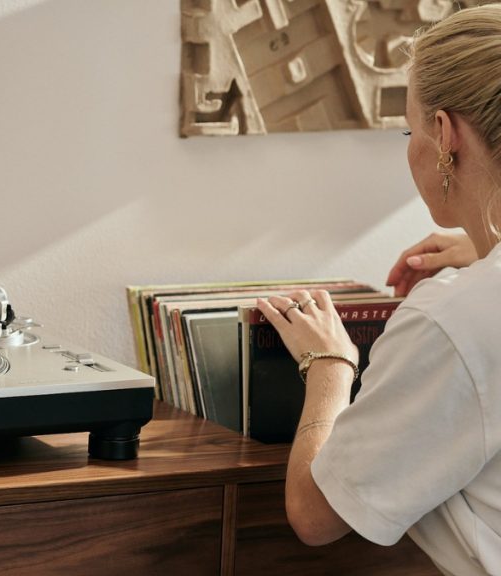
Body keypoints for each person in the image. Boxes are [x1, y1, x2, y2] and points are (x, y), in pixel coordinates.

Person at [255, 5, 501, 574]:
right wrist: (483, 248)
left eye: (410, 131)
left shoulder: (455, 319)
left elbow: (315, 515)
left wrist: (329, 364)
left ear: (445, 134)